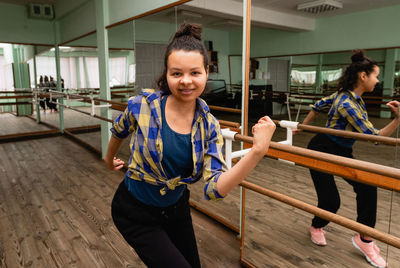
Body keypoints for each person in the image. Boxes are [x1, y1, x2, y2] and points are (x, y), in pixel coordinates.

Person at [104, 23, 276, 268]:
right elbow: (118, 130)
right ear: (166, 74)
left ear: (207, 71)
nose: (186, 81)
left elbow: (214, 189)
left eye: (195, 73)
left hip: (176, 209)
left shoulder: (209, 126)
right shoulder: (141, 105)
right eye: (176, 74)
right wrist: (108, 159)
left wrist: (258, 151)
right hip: (135, 212)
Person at [298, 50, 399, 268]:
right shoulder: (347, 104)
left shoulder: (346, 96)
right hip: (322, 150)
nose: (378, 80)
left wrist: (302, 127)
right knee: (331, 202)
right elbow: (376, 139)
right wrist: (398, 120)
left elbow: (316, 107)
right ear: (363, 76)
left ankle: (364, 239)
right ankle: (316, 226)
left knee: (368, 187)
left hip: (341, 151)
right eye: (376, 75)